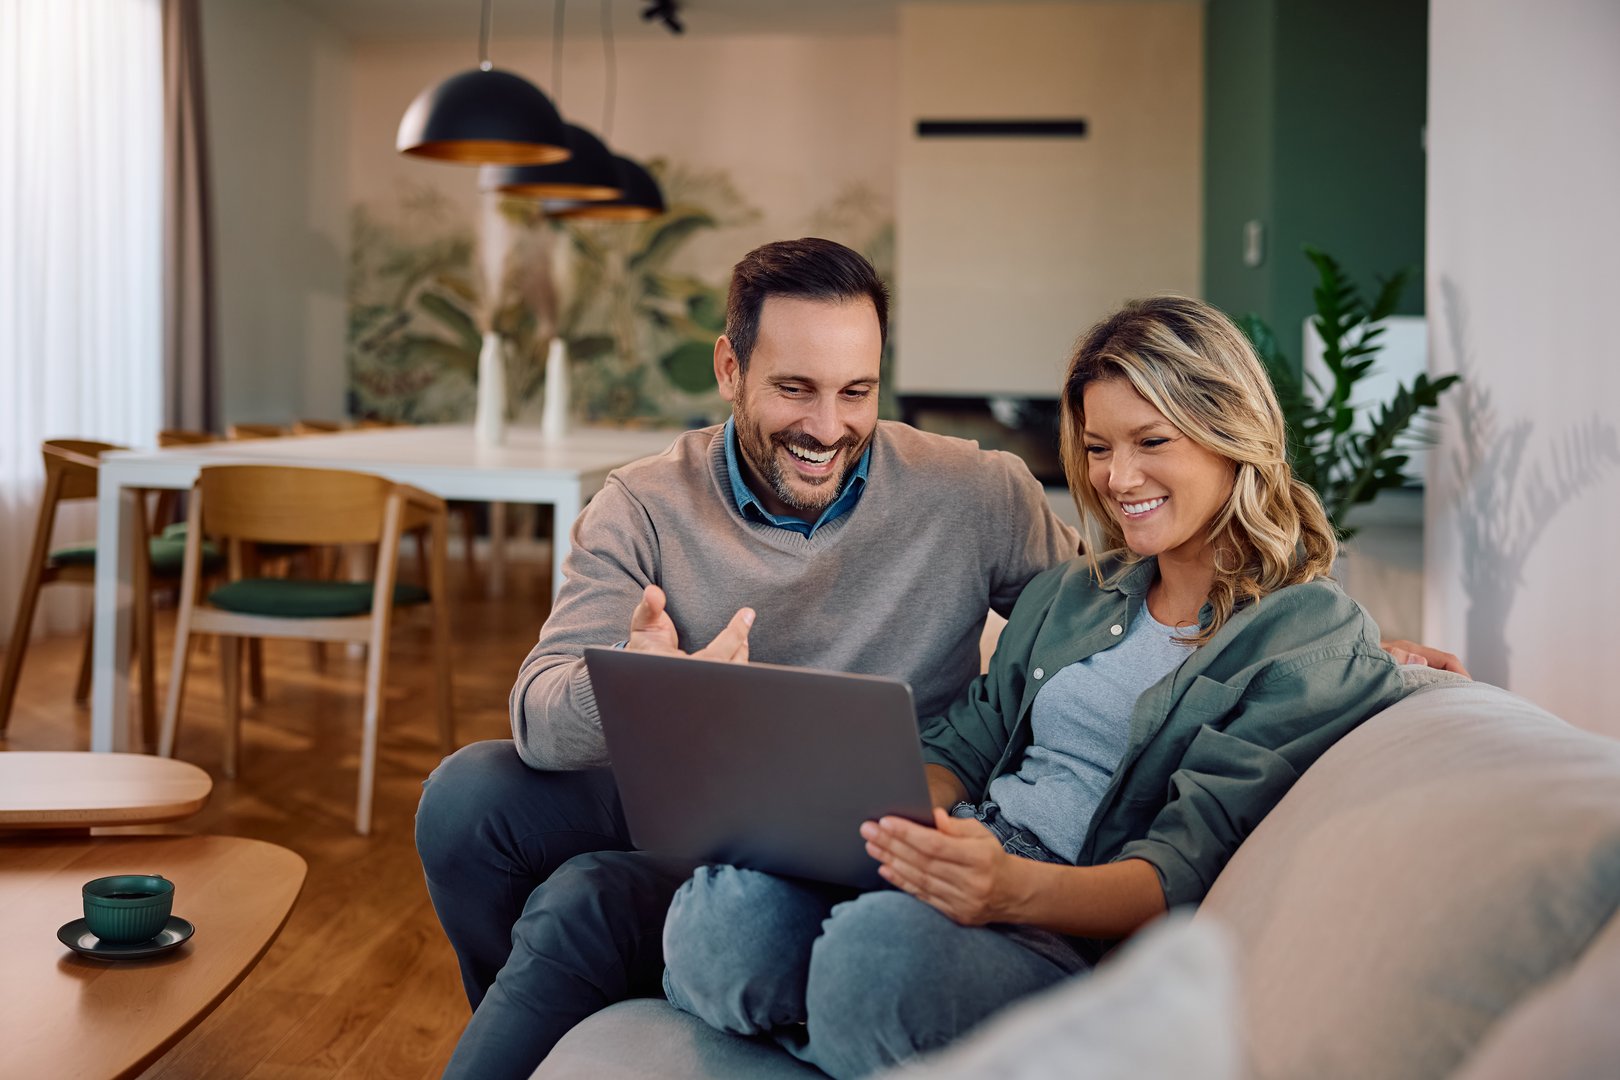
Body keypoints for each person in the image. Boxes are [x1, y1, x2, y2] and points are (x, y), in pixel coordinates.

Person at [658, 295, 1420, 1078]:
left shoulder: (1304, 636)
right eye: (1097, 447)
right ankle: (851, 1033)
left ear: (1233, 436)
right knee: (722, 919)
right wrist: (902, 821)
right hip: (964, 857)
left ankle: (835, 1018)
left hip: (1060, 926)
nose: (1118, 478)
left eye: (1150, 441)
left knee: (871, 962)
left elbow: (1181, 870)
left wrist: (1009, 890)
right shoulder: (1076, 591)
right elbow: (971, 737)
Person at [417, 237, 1083, 1077]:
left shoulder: (979, 492)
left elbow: (1092, 636)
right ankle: (547, 1012)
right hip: (701, 814)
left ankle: (594, 978)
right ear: (730, 368)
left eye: (856, 392)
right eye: (794, 389)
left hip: (871, 833)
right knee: (467, 798)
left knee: (582, 896)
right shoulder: (642, 504)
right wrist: (651, 685)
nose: (828, 427)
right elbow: (540, 720)